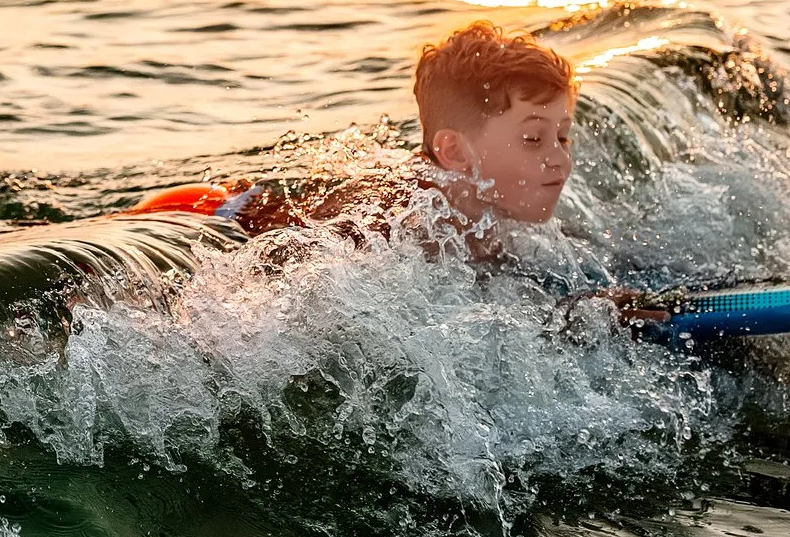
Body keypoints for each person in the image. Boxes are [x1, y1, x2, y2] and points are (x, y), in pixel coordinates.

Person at [127, 20, 666, 320]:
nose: (559, 159)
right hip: (198, 217)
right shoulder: (404, 217)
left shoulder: (485, 206)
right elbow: (278, 281)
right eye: (533, 139)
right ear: (455, 152)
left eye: (563, 136)